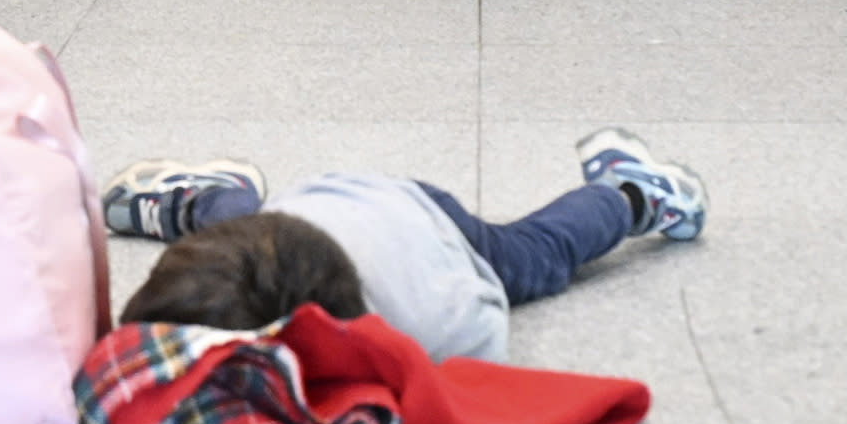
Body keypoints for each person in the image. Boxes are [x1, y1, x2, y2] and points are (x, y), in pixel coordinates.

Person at [101, 130, 706, 364]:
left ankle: (635, 195)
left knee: (535, 256)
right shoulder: (214, 275)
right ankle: (205, 199)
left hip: (430, 221)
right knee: (229, 236)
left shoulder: (428, 323)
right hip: (313, 208)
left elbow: (488, 319)